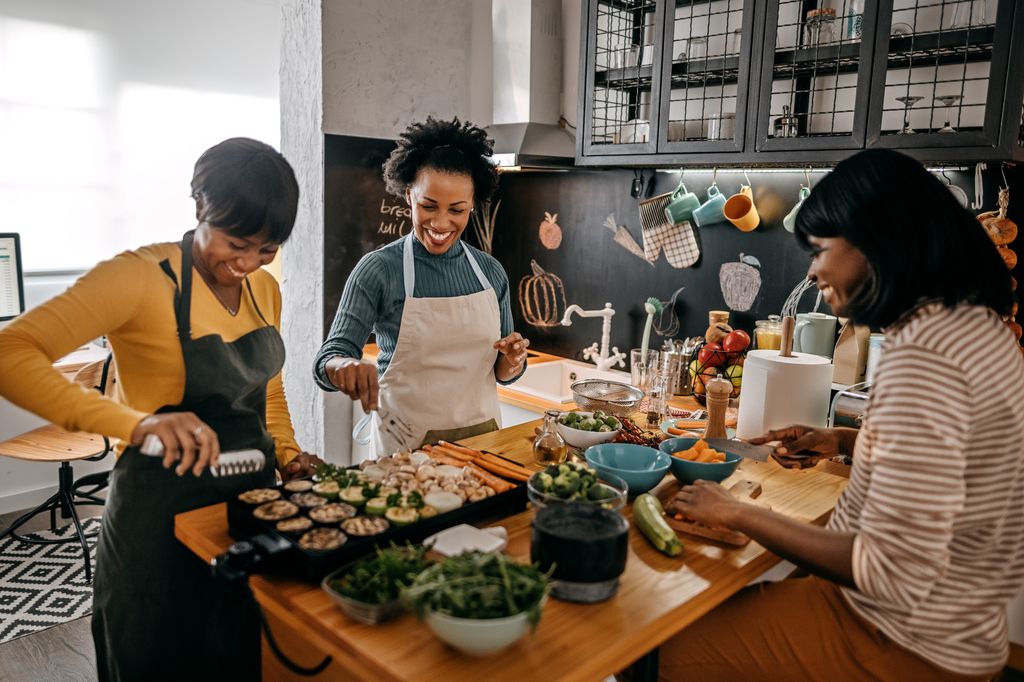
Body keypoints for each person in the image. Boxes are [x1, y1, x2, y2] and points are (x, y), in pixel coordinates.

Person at [664, 149, 1023, 681]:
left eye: (821, 249)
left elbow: (891, 571)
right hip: (958, 627)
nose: (814, 269)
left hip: (902, 640)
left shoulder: (926, 353)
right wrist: (845, 441)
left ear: (879, 244)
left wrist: (737, 512)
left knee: (657, 652)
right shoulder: (973, 327)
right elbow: (958, 464)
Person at [0, 138, 322, 680]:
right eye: (237, 242)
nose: (247, 263)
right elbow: (11, 353)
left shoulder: (264, 288)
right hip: (157, 520)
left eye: (266, 249)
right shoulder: (139, 277)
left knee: (235, 658)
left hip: (245, 509)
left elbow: (266, 389)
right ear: (201, 208)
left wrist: (287, 454)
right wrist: (135, 423)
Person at [314, 117, 528, 456]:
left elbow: (501, 373)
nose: (441, 223)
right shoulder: (378, 269)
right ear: (408, 196)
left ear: (472, 205)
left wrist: (514, 360)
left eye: (457, 210)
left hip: (482, 449)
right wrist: (344, 367)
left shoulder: (490, 272)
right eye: (429, 206)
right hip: (405, 452)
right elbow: (327, 359)